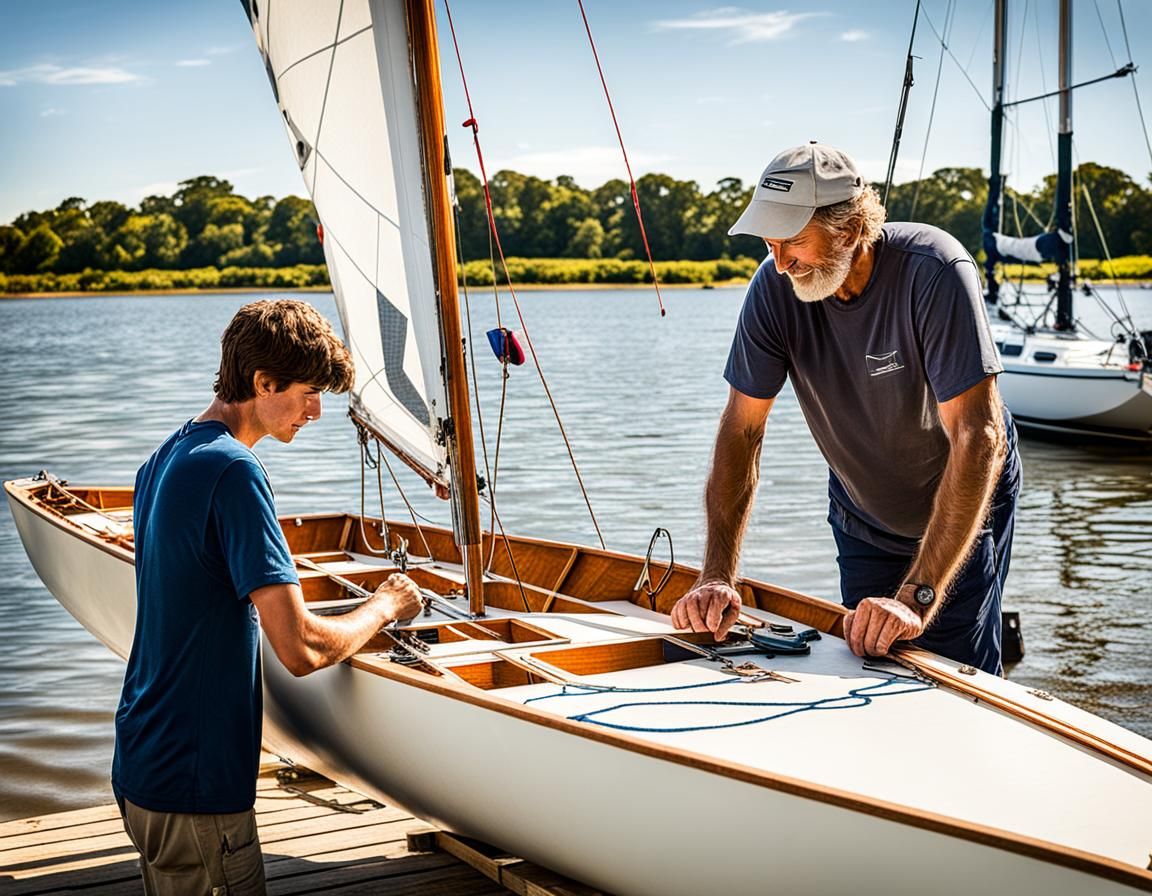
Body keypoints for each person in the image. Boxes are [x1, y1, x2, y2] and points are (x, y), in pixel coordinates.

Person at [671, 142, 1021, 676]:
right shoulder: (773, 289)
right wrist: (717, 574)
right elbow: (741, 432)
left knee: (956, 678)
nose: (781, 261)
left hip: (961, 499)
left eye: (795, 242)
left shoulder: (936, 270)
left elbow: (979, 437)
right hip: (863, 514)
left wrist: (917, 597)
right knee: (869, 661)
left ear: (852, 228)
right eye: (770, 242)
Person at [112, 299, 423, 895]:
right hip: (195, 788)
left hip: (142, 763)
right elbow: (300, 649)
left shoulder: (166, 457)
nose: (317, 411)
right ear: (263, 382)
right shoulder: (235, 471)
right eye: (310, 393)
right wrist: (386, 605)